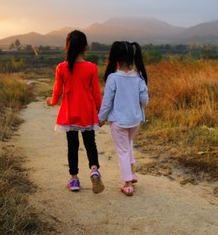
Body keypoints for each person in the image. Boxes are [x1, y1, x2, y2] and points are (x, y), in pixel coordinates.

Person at [46, 30, 104, 194]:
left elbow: (57, 92)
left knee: (72, 146)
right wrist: (101, 114)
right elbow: (96, 94)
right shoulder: (91, 68)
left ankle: (74, 179)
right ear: (86, 47)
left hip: (69, 112)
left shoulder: (61, 67)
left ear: (67, 46)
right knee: (90, 143)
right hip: (87, 112)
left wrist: (51, 102)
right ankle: (94, 169)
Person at [98, 41, 149, 196]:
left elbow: (106, 102)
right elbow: (145, 101)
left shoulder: (113, 78)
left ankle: (127, 183)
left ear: (115, 58)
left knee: (122, 151)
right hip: (135, 121)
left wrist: (101, 118)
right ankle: (132, 174)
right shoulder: (139, 77)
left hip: (119, 121)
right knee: (128, 145)